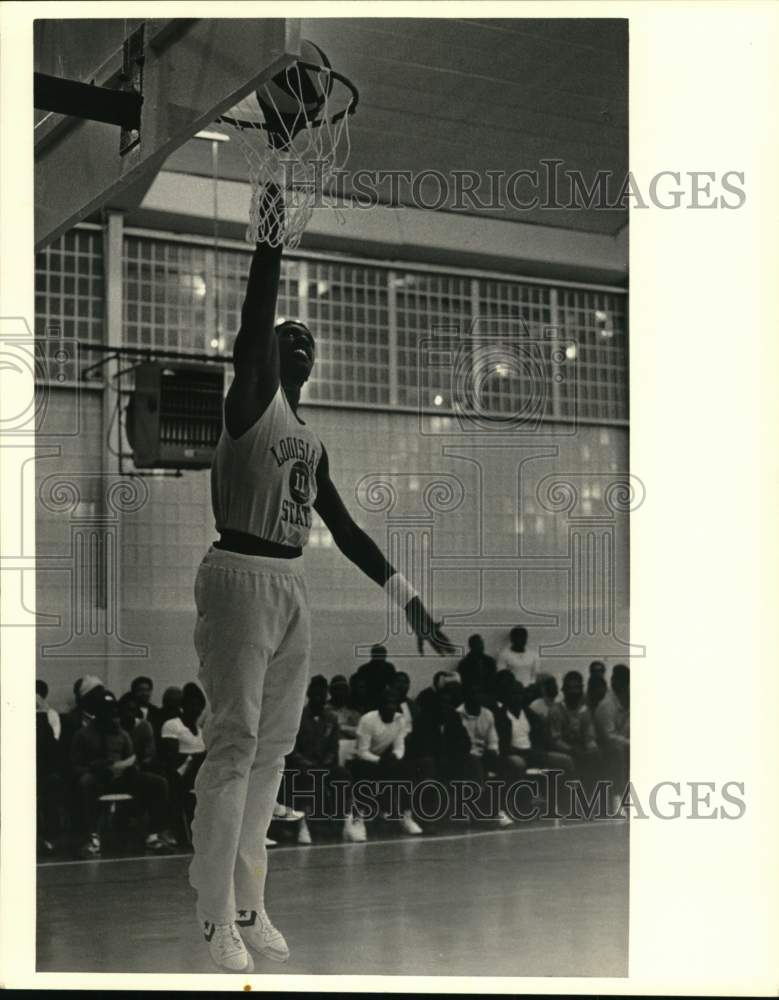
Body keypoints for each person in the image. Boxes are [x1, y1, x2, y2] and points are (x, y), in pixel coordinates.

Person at [188, 182, 454, 973]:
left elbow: (343, 527)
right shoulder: (250, 400)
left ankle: (247, 902)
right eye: (285, 334)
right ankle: (212, 917)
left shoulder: (310, 439)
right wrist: (271, 230)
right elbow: (256, 311)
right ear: (266, 352)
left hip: (291, 582)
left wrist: (407, 601)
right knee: (233, 747)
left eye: (306, 337)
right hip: (238, 572)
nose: (296, 339)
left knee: (271, 751)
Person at [70, 690, 172, 858]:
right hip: (98, 778)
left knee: (158, 783)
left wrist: (129, 767)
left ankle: (153, 835)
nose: (112, 716)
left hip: (122, 777)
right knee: (85, 783)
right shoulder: (83, 735)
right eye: (107, 711)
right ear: (98, 713)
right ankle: (92, 838)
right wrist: (94, 767)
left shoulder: (122, 734)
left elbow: (132, 759)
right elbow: (74, 766)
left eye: (114, 711)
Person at [284, 675, 358, 844]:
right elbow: (292, 750)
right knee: (307, 778)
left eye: (322, 694)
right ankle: (303, 825)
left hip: (323, 765)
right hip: (301, 766)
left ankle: (346, 823)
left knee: (343, 775)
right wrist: (308, 764)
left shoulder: (331, 719)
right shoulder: (298, 717)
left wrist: (326, 761)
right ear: (309, 694)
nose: (319, 697)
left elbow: (333, 747)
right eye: (316, 693)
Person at [351, 686, 423, 838]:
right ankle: (358, 820)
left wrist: (395, 756)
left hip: (383, 760)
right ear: (380, 705)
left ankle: (406, 816)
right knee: (364, 771)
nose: (390, 706)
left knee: (408, 770)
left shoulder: (400, 720)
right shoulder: (368, 720)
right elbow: (362, 751)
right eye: (386, 703)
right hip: (361, 760)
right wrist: (380, 760)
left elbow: (399, 747)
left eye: (393, 703)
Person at [457, 685, 514, 827]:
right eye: (471, 693)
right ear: (465, 696)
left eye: (478, 693)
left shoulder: (487, 714)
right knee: (475, 763)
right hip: (464, 755)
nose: (475, 697)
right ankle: (483, 812)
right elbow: (459, 743)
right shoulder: (457, 714)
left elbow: (493, 740)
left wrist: (493, 751)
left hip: (483, 754)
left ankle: (500, 809)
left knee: (504, 763)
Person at [160, 682, 208, 846]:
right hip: (179, 774)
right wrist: (192, 760)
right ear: (183, 705)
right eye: (192, 705)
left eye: (199, 706)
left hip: (199, 773)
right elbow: (169, 757)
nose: (196, 710)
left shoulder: (201, 731)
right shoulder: (172, 725)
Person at [548, 671, 600, 791]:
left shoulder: (584, 710)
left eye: (577, 688)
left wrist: (592, 748)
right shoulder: (556, 710)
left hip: (580, 749)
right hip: (561, 750)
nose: (574, 692)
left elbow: (589, 735)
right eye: (570, 688)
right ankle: (570, 799)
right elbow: (555, 740)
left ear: (582, 689)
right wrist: (572, 750)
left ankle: (595, 798)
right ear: (564, 689)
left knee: (596, 755)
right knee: (572, 760)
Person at [594, 663, 630, 798]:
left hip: (624, 746)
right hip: (608, 749)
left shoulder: (628, 701)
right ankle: (620, 797)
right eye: (618, 680)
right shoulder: (606, 705)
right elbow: (609, 737)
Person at [353, 644, 397, 713]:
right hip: (368, 701)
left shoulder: (389, 668)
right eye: (378, 653)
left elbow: (393, 686)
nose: (381, 656)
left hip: (385, 701)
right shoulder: (364, 669)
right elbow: (360, 689)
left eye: (382, 653)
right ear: (372, 654)